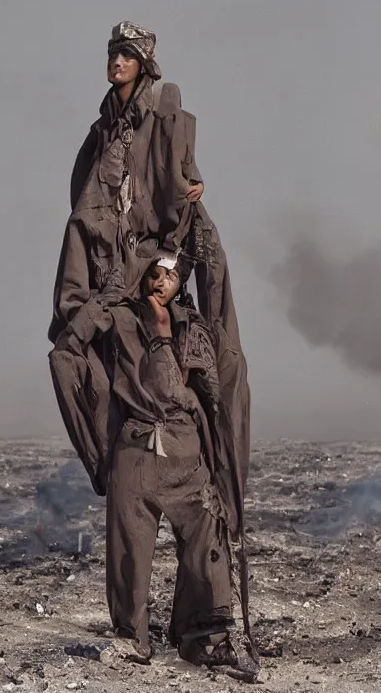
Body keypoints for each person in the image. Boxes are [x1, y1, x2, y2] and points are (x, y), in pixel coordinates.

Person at [91, 253, 256, 672]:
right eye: (153, 274)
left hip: (185, 451)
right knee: (130, 549)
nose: (160, 282)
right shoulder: (121, 320)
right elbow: (77, 344)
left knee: (207, 536)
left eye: (170, 276)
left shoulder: (193, 326)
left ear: (180, 283)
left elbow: (211, 388)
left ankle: (203, 637)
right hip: (136, 450)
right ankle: (132, 637)